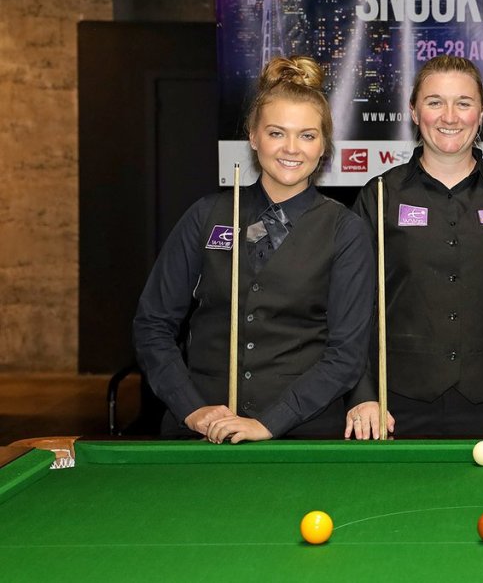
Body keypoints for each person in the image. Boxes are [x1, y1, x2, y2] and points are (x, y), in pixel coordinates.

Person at [133, 56, 374, 443]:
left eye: (307, 136)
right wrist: (191, 408)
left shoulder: (346, 230)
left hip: (302, 436)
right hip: (202, 432)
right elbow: (152, 325)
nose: (291, 148)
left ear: (324, 145)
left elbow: (346, 354)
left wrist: (268, 423)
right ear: (253, 136)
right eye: (277, 133)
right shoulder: (206, 215)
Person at [344, 55, 483, 439]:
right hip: (393, 409)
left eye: (463, 103)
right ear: (414, 111)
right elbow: (351, 307)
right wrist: (362, 395)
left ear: (481, 112)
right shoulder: (379, 197)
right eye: (435, 102)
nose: (450, 116)